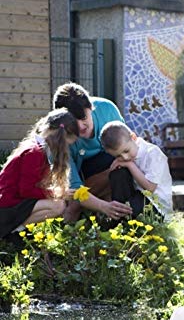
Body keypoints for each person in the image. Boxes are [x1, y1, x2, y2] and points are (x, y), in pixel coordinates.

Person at [52, 82, 132, 222]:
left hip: (114, 165)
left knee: (121, 169)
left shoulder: (107, 110)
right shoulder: (60, 139)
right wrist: (104, 206)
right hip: (82, 176)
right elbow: (74, 188)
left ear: (91, 108)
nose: (80, 126)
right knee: (73, 205)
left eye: (84, 118)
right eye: (73, 122)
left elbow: (130, 147)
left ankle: (122, 221)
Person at [0, 108, 79, 239]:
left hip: (10, 204)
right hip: (6, 207)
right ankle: (12, 231)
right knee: (57, 205)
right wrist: (56, 193)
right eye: (67, 145)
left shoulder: (35, 146)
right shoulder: (34, 152)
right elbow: (26, 190)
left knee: (57, 202)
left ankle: (17, 230)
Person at [100, 121, 173, 219]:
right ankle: (120, 217)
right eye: (118, 155)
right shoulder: (127, 156)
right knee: (117, 174)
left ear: (133, 137)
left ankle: (123, 218)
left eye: (126, 151)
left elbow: (150, 188)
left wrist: (130, 165)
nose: (125, 157)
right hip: (136, 199)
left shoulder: (152, 153)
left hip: (156, 207)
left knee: (132, 204)